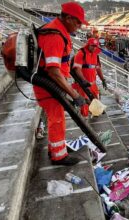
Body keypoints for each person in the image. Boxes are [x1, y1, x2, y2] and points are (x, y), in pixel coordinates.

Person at [33, 2, 89, 166]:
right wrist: (75, 95)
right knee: (57, 120)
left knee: (57, 119)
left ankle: (56, 148)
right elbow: (54, 72)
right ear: (69, 18)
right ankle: (58, 156)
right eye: (78, 22)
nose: (79, 27)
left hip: (53, 85)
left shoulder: (59, 31)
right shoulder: (55, 35)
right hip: (50, 86)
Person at [72, 38, 107, 117]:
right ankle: (84, 122)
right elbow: (77, 69)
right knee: (84, 108)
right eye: (92, 46)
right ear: (88, 45)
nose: (94, 48)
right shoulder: (81, 53)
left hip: (93, 85)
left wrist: (103, 80)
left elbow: (98, 69)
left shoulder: (96, 55)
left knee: (96, 103)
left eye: (95, 46)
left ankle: (94, 116)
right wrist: (83, 80)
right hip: (83, 85)